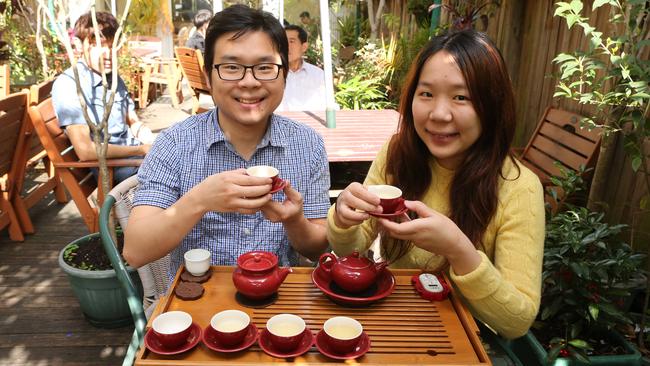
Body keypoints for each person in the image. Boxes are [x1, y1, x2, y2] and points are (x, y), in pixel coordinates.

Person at [327, 30, 544, 339]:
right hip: (390, 321)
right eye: (426, 94)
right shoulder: (397, 152)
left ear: (492, 105)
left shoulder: (519, 188)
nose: (439, 115)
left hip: (463, 343)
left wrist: (458, 250)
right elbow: (354, 247)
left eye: (461, 97)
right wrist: (344, 219)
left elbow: (517, 321)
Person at [124, 5, 331, 281]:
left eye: (265, 67)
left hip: (277, 305)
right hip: (197, 304)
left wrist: (293, 221)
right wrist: (201, 200)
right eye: (232, 67)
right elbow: (136, 250)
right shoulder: (174, 144)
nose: (249, 81)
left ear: (284, 75)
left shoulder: (307, 145)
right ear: (208, 77)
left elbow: (318, 249)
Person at [52, 11, 151, 185]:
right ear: (78, 45)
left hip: (137, 158)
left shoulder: (113, 78)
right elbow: (85, 151)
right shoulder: (69, 85)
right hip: (117, 170)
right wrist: (141, 149)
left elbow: (133, 121)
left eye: (113, 46)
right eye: (100, 45)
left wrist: (151, 139)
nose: (108, 53)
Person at [277, 24, 326, 112]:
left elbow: (325, 105)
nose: (286, 46)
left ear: (304, 47)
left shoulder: (317, 74)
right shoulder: (272, 73)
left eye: (291, 41)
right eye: (284, 42)